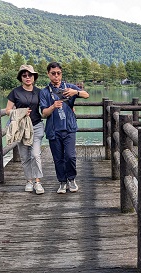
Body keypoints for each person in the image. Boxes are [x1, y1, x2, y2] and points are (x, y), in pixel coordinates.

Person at [40, 62, 90, 193]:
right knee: (58, 158)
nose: (56, 76)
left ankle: (72, 179)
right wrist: (53, 106)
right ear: (48, 74)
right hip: (53, 130)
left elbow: (86, 95)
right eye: (53, 73)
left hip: (69, 128)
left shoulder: (69, 88)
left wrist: (76, 92)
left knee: (70, 156)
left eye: (58, 73)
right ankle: (62, 182)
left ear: (61, 73)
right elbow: (44, 113)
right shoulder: (44, 92)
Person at [5, 65, 45, 194]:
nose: (27, 77)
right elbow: (8, 111)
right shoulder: (15, 92)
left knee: (35, 154)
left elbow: (45, 109)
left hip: (37, 126)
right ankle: (29, 180)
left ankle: (37, 182)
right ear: (21, 78)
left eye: (30, 75)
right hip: (21, 128)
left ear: (34, 77)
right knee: (24, 156)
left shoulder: (40, 92)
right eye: (24, 75)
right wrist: (21, 112)